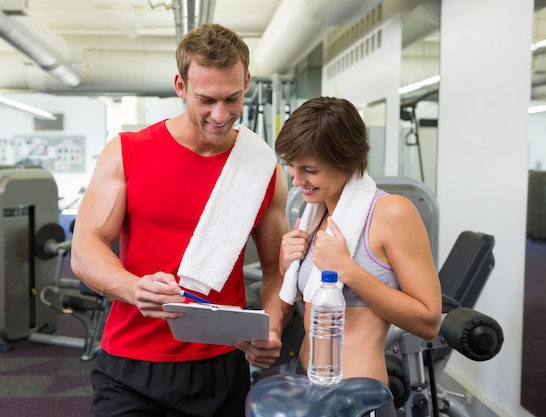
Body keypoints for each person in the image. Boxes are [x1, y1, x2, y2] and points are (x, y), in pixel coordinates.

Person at [70, 23, 291, 417]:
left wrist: (271, 326)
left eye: (232, 98)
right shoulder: (127, 152)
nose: (220, 115)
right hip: (130, 364)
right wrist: (133, 287)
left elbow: (276, 269)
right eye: (206, 99)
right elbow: (85, 247)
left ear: (247, 82)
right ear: (180, 85)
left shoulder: (262, 170)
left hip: (220, 366)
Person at [276, 96, 442, 417]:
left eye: (309, 170)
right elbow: (314, 307)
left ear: (347, 161)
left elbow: (429, 321)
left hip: (358, 399)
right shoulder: (315, 216)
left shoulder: (392, 213)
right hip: (307, 386)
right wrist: (289, 265)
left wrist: (347, 271)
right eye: (292, 168)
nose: (297, 182)